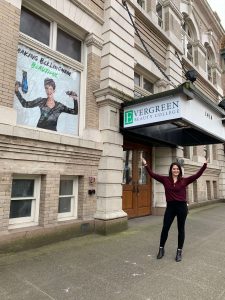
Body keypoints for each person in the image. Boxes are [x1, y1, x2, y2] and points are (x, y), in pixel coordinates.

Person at [142, 157, 208, 262]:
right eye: (174, 169)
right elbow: (153, 175)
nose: (176, 170)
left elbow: (196, 176)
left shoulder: (184, 180)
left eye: (177, 169)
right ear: (171, 170)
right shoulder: (165, 180)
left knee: (180, 229)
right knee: (165, 228)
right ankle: (161, 249)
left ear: (179, 170)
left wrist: (204, 165)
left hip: (182, 208)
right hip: (170, 207)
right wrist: (145, 165)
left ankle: (179, 251)